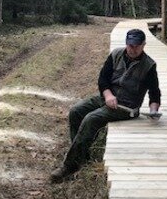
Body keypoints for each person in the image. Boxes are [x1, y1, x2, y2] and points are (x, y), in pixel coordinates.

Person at [50, 28, 161, 183]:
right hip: (107, 98)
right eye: (130, 45)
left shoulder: (149, 66)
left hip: (125, 108)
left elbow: (154, 92)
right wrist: (108, 95)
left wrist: (153, 111)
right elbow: (103, 78)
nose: (132, 49)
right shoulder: (116, 54)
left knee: (91, 119)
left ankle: (70, 166)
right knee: (76, 111)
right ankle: (83, 156)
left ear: (143, 45)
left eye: (136, 45)